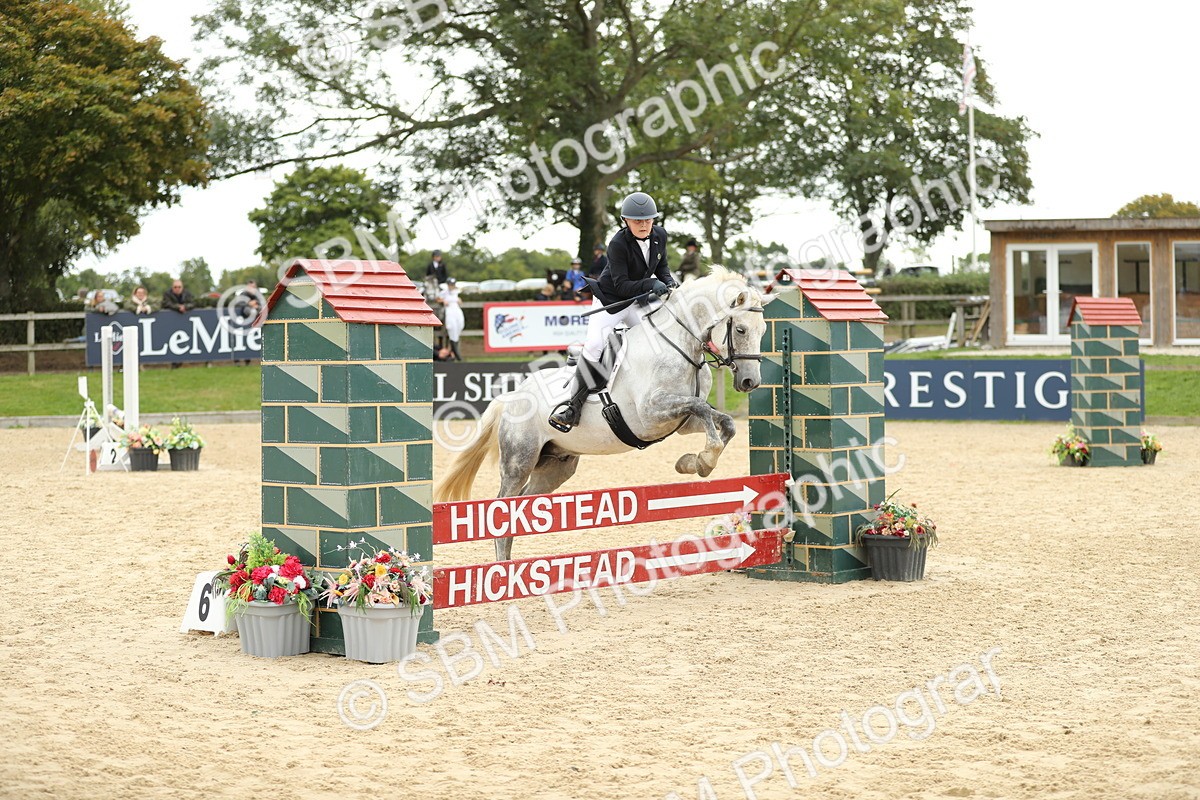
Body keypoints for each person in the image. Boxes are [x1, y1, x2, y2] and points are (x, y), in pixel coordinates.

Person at [547, 191, 677, 432]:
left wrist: (668, 280)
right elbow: (621, 285)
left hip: (635, 302)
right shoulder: (617, 244)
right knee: (596, 344)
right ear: (625, 221)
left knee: (652, 340)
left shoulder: (659, 235)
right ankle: (572, 406)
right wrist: (651, 284)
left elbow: (662, 265)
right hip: (611, 301)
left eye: (648, 220)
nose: (644, 224)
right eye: (637, 220)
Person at [438, 277, 465, 361]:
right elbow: (438, 299)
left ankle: (455, 350)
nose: (451, 286)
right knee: (451, 327)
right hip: (449, 310)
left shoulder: (456, 292)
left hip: (456, 310)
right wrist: (443, 301)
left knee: (460, 324)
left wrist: (459, 300)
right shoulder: (444, 293)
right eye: (450, 285)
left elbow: (460, 300)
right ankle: (456, 354)